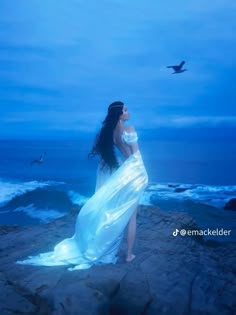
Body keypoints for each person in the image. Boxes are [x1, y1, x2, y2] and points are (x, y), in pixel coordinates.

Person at [17, 101, 148, 270]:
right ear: (119, 114)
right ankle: (129, 255)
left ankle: (121, 250)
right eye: (125, 109)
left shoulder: (111, 133)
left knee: (121, 212)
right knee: (131, 215)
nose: (128, 112)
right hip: (134, 173)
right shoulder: (129, 129)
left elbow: (118, 155)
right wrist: (142, 175)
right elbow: (136, 156)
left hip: (124, 172)